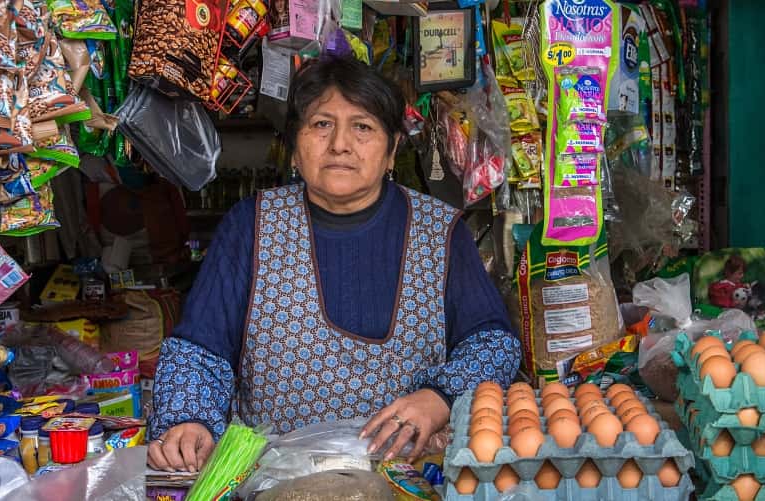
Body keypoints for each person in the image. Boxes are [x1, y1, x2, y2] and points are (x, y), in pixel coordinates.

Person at [146, 57, 522, 473]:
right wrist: (189, 419)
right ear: (294, 148)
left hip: (404, 481)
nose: (340, 144)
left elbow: (493, 344)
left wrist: (440, 398)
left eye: (362, 127)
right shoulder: (249, 225)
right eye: (321, 124)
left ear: (392, 149)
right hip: (275, 483)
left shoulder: (440, 231)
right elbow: (200, 350)